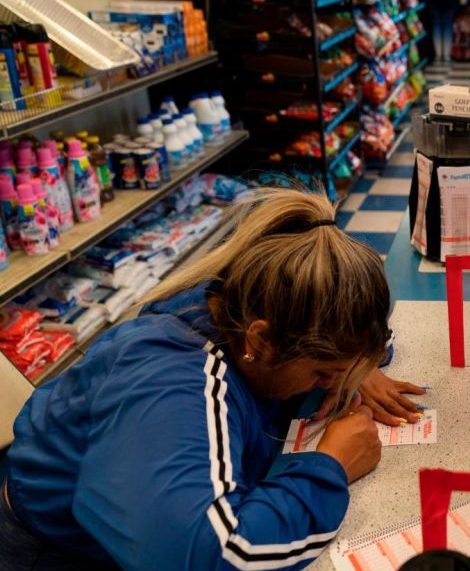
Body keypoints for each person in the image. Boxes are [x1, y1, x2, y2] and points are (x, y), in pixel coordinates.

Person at [1, 189, 427, 570]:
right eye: (321, 372)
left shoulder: (249, 297)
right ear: (260, 341)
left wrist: (356, 367)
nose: (327, 383)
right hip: (59, 552)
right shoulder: (173, 385)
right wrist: (332, 465)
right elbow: (213, 553)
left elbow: (349, 328)